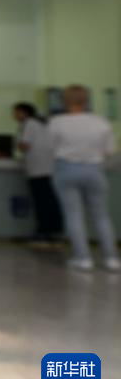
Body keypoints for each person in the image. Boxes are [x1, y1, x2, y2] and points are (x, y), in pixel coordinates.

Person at [48, 85, 120, 271]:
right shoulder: (101, 122)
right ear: (87, 100)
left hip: (66, 170)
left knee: (73, 215)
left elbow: (51, 148)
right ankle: (111, 259)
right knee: (101, 216)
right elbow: (109, 151)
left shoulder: (57, 122)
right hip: (95, 171)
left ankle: (83, 259)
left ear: (64, 101)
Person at [13, 102, 63, 243]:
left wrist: (17, 145)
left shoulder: (29, 123)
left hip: (37, 168)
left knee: (41, 202)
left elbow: (24, 145)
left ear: (23, 112)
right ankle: (55, 231)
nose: (14, 116)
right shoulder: (42, 123)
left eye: (16, 112)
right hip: (49, 168)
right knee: (50, 201)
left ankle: (43, 231)